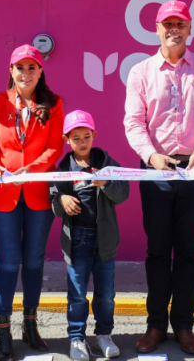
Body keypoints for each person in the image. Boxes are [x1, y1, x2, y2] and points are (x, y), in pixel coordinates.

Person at [124, 0, 194, 354]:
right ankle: (155, 325)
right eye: (167, 23)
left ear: (189, 28)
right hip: (156, 172)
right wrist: (152, 156)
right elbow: (134, 122)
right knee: (156, 252)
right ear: (156, 28)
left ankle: (183, 325)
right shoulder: (141, 72)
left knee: (186, 253)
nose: (174, 29)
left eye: (179, 24)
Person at [0, 44, 64, 361]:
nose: (26, 73)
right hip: (4, 194)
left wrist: (32, 169)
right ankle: (3, 330)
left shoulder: (54, 104)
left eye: (32, 67)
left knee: (35, 261)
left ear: (41, 71)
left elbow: (55, 148)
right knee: (9, 261)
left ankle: (30, 324)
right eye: (20, 67)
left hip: (38, 191)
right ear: (10, 71)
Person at [49, 110, 129, 361]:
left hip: (104, 238)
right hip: (77, 240)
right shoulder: (63, 167)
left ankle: (104, 335)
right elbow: (53, 200)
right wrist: (61, 199)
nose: (82, 142)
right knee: (77, 294)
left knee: (105, 294)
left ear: (94, 135)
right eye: (76, 138)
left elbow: (123, 194)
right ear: (67, 140)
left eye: (86, 136)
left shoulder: (107, 163)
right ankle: (76, 338)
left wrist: (105, 183)